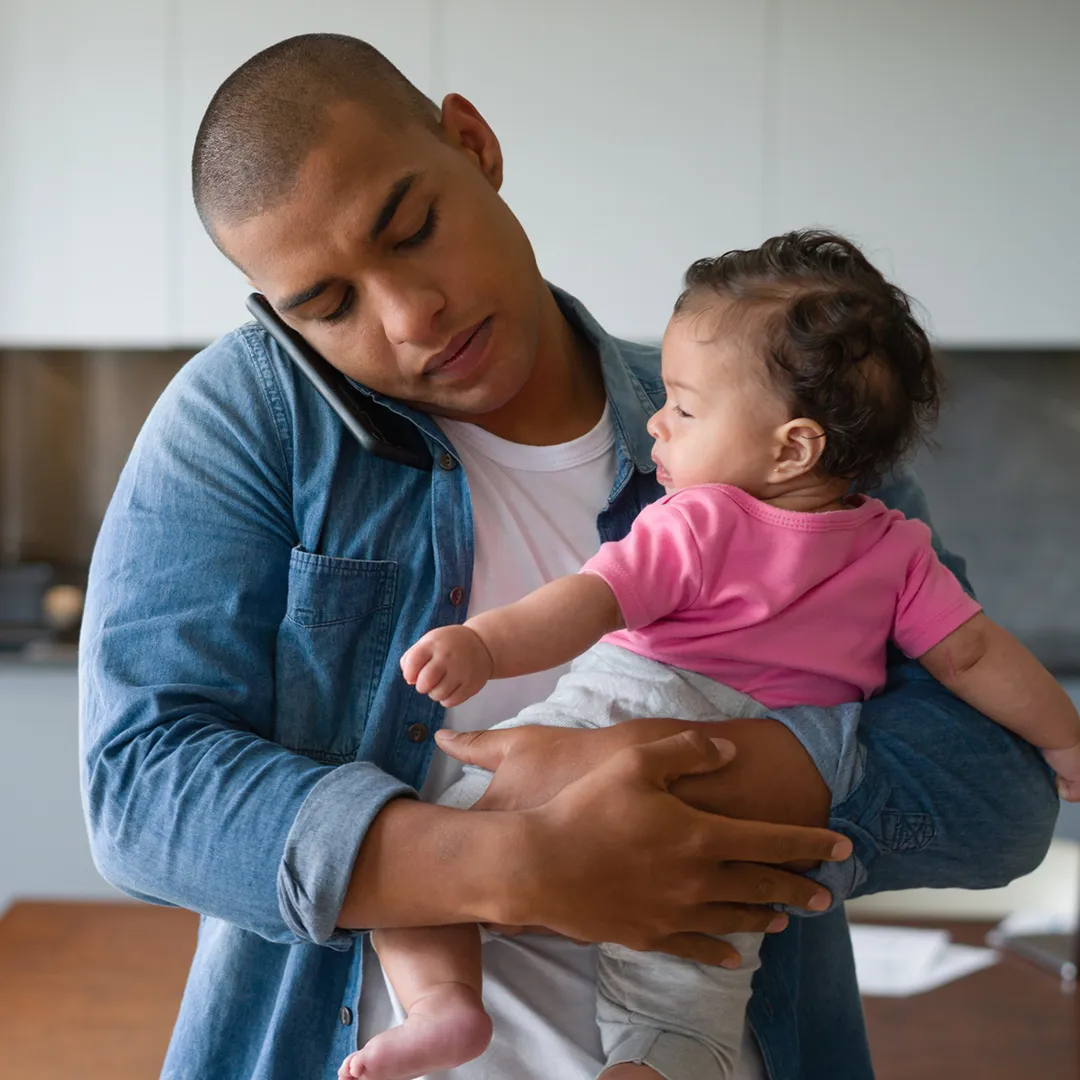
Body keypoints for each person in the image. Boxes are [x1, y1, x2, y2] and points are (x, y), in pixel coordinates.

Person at [78, 33, 1059, 1080]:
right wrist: (521, 863)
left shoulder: (763, 417)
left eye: (412, 230)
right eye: (330, 306)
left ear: (475, 143)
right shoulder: (249, 419)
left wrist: (691, 786)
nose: (411, 317)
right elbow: (142, 789)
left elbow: (999, 796)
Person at [346, 230, 1080, 1080]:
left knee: (419, 858)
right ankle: (651, 1066)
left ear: (793, 447)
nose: (656, 419)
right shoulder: (898, 551)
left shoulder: (702, 519)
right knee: (692, 978)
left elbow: (585, 604)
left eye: (685, 408)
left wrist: (483, 644)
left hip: (632, 707)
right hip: (757, 793)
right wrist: (1064, 742)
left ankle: (445, 1007)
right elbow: (977, 658)